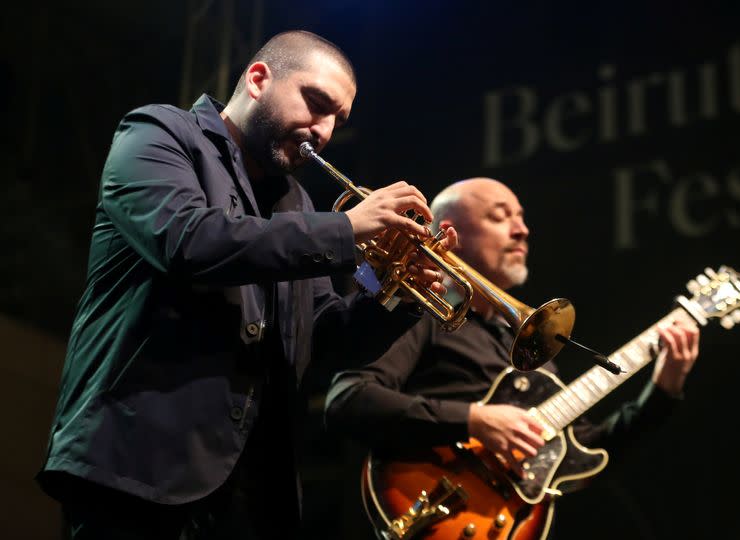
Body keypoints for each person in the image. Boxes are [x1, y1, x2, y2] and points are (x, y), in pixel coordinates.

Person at [37, 30, 456, 540]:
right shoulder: (158, 133)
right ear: (258, 79)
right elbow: (191, 242)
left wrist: (396, 294)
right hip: (136, 473)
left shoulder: (296, 204)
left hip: (252, 497)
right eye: (316, 103)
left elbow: (323, 338)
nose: (323, 131)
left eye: (336, 121)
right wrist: (345, 228)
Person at [324, 177, 700, 539]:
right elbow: (348, 399)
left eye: (521, 217)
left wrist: (663, 389)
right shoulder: (418, 316)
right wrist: (473, 420)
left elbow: (588, 453)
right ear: (452, 234)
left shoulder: (531, 348)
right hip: (432, 504)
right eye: (500, 216)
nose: (522, 230)